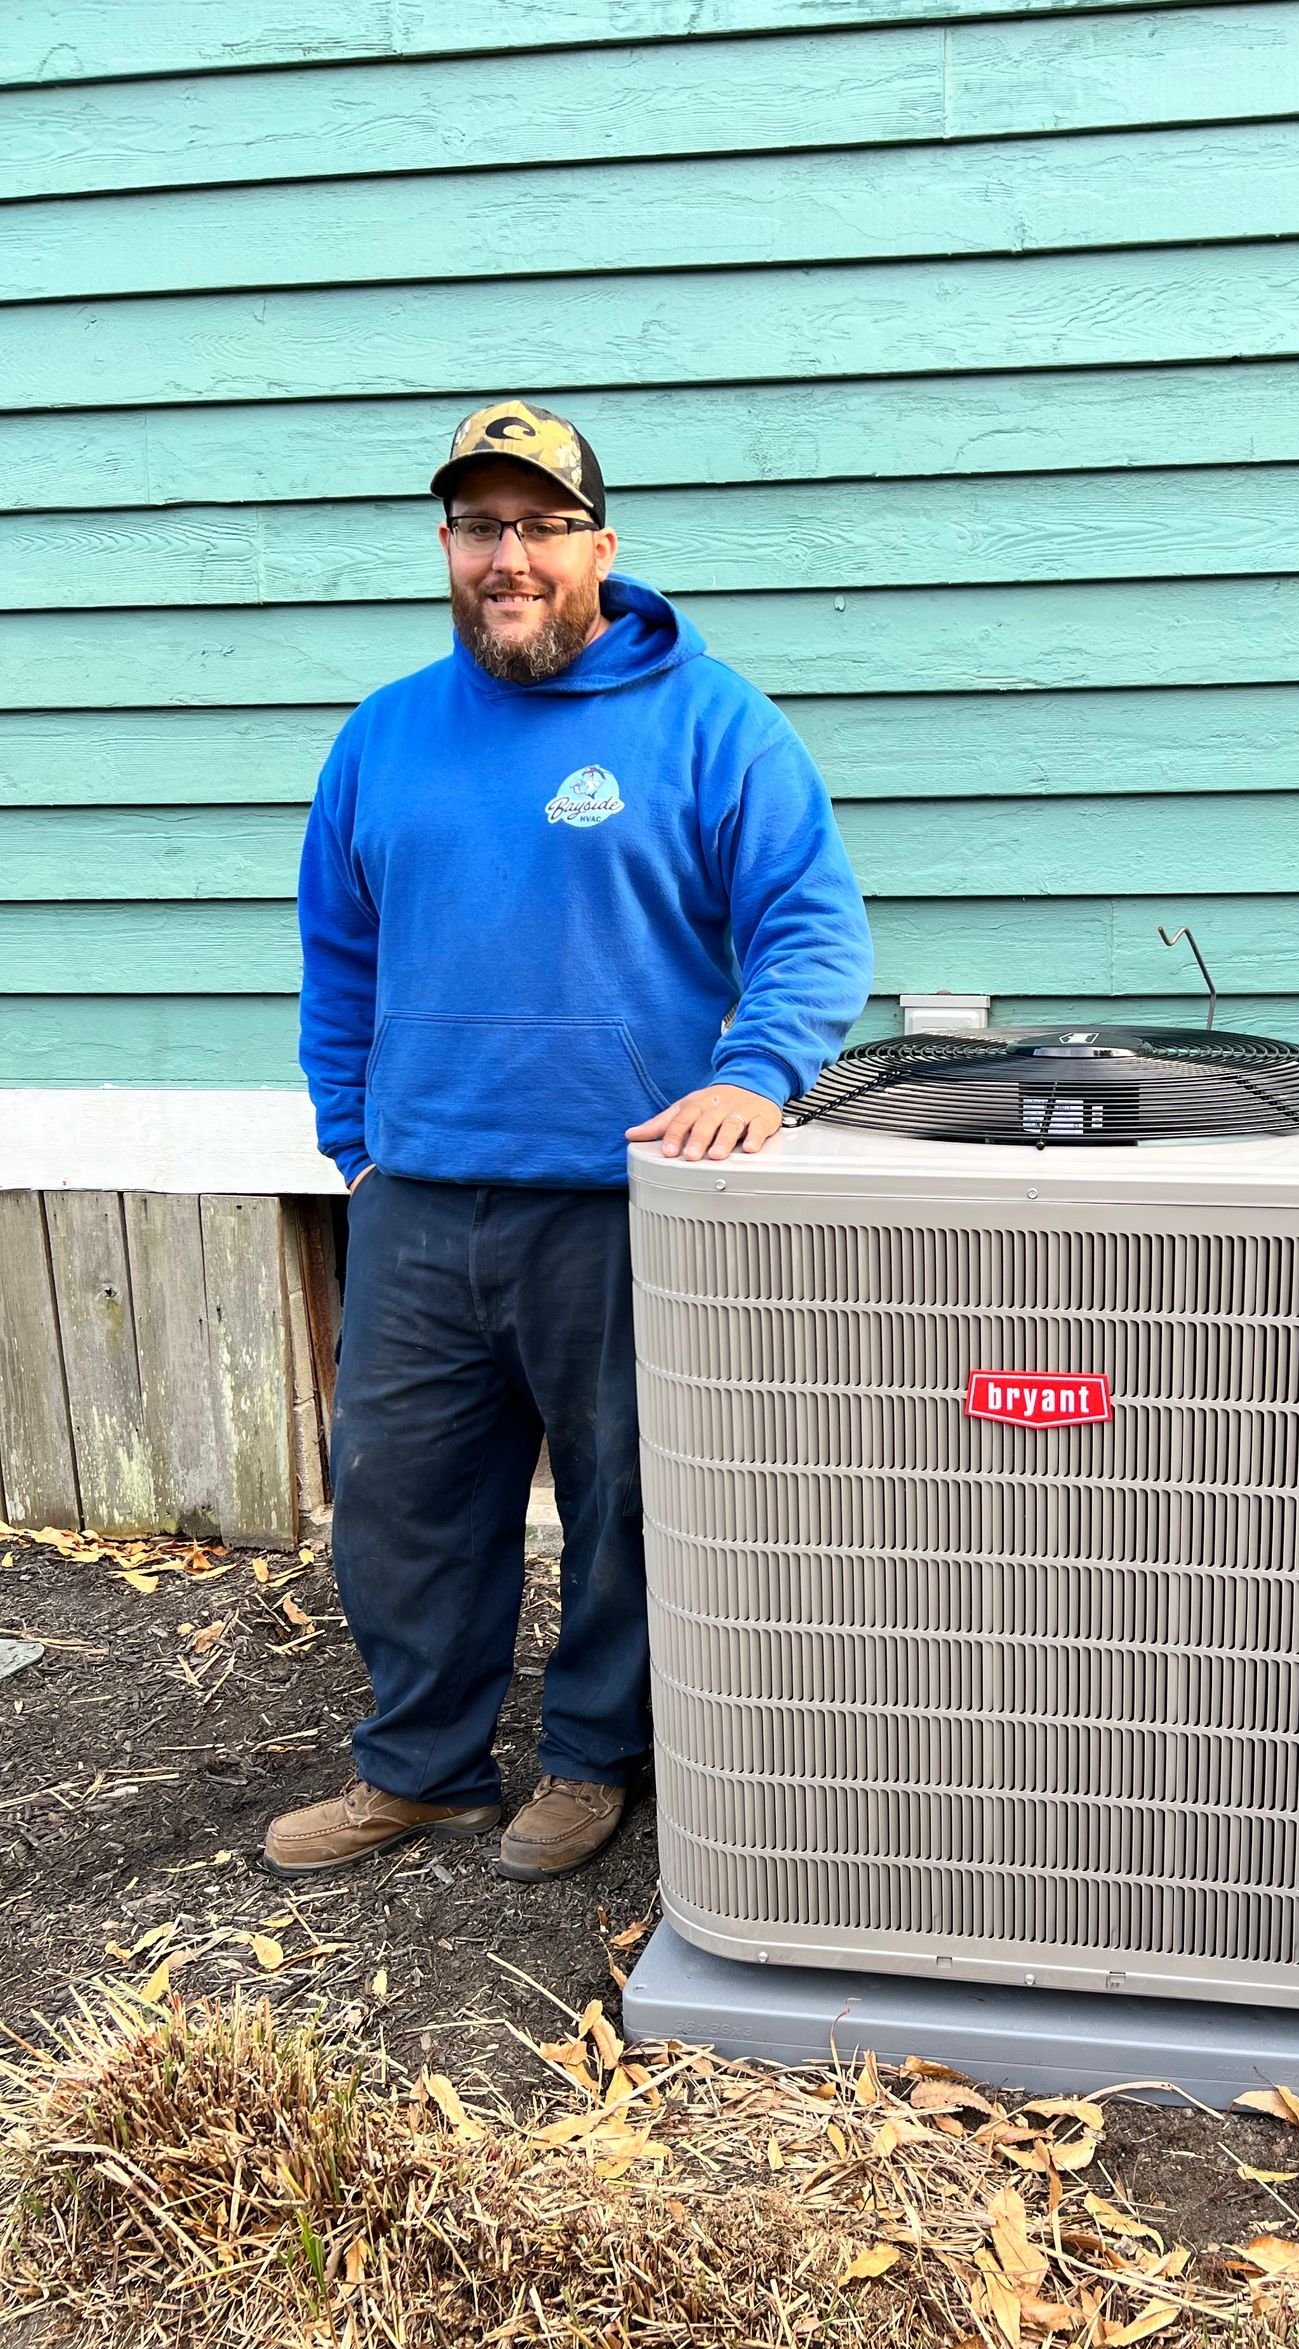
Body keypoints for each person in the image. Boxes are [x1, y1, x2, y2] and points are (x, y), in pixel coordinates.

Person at [267, 398, 873, 1882]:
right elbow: (339, 953)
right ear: (447, 547)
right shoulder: (386, 733)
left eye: (540, 526)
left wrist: (761, 1074)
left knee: (628, 1506)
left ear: (600, 543)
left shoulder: (713, 723)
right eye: (482, 528)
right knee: (402, 1501)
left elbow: (809, 924)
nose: (509, 557)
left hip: (626, 1198)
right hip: (419, 1195)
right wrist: (356, 1138)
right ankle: (421, 1767)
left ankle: (597, 1759)